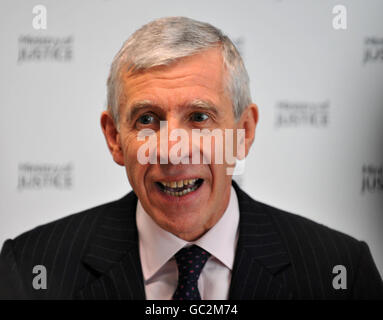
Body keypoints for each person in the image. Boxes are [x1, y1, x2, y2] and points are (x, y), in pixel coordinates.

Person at [0, 16, 382, 300]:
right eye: (147, 120)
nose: (173, 149)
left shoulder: (341, 270)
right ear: (115, 138)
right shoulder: (31, 267)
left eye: (199, 117)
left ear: (243, 132)